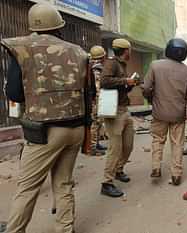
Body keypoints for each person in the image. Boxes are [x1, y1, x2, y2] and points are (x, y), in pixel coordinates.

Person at [1, 3, 88, 232]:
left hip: (44, 133)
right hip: (76, 128)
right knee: (64, 183)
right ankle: (65, 229)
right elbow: (89, 93)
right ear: (59, 25)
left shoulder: (23, 48)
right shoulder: (79, 51)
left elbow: (14, 93)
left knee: (27, 187)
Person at [143, 38, 187, 186]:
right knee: (177, 143)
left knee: (158, 140)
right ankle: (176, 175)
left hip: (159, 112)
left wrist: (151, 100)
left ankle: (155, 167)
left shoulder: (155, 66)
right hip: (178, 115)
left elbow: (146, 88)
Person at [100, 38, 137, 198]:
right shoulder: (111, 63)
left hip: (124, 109)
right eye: (130, 50)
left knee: (128, 144)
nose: (131, 52)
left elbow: (119, 87)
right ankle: (106, 183)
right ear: (126, 50)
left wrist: (130, 85)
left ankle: (119, 170)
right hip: (114, 111)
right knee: (115, 148)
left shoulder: (122, 65)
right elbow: (104, 81)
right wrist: (125, 80)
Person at [89, 45, 107, 156]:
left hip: (95, 99)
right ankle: (92, 147)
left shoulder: (92, 66)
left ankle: (96, 143)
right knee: (95, 123)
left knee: (98, 123)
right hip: (96, 100)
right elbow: (97, 88)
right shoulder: (97, 69)